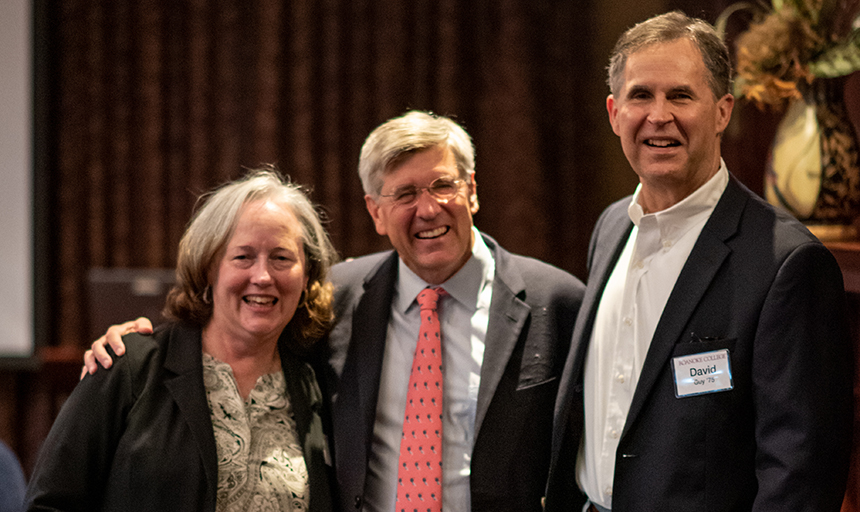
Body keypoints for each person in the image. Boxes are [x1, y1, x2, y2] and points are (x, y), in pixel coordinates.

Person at [84, 111, 586, 511]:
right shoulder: (337, 298)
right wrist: (135, 339)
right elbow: (239, 324)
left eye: (442, 186)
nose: (428, 209)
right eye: (405, 194)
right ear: (375, 212)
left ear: (472, 190)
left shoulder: (556, 301)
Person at [544, 11, 853, 512]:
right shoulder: (609, 230)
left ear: (722, 111)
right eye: (640, 95)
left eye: (681, 96)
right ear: (613, 112)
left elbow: (800, 474)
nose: (658, 115)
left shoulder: (787, 264)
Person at [28, 169, 337, 511]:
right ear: (209, 267)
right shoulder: (130, 367)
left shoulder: (318, 384)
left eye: (281, 258)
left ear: (306, 274)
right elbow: (50, 503)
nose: (262, 276)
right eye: (243, 257)